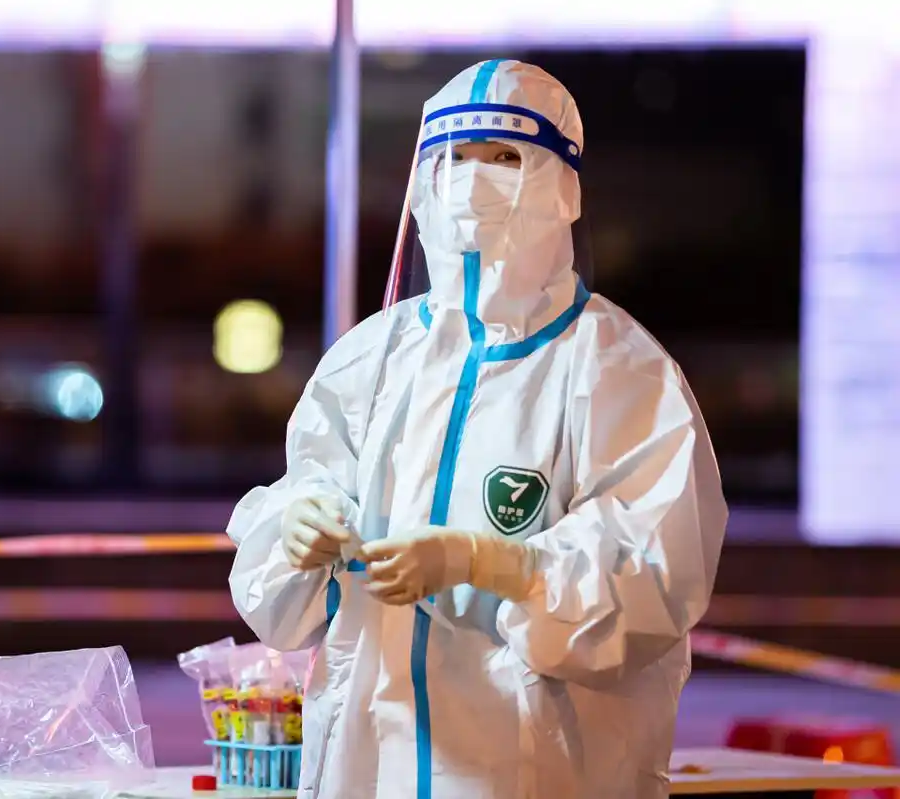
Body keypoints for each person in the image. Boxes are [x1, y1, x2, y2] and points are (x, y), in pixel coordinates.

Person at [226, 59, 727, 799]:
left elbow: (655, 574)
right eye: (454, 157)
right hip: (370, 768)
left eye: (504, 157)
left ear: (563, 187)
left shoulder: (621, 373)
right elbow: (291, 562)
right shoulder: (371, 359)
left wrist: (494, 565)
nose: (472, 179)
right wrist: (297, 525)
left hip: (540, 775)